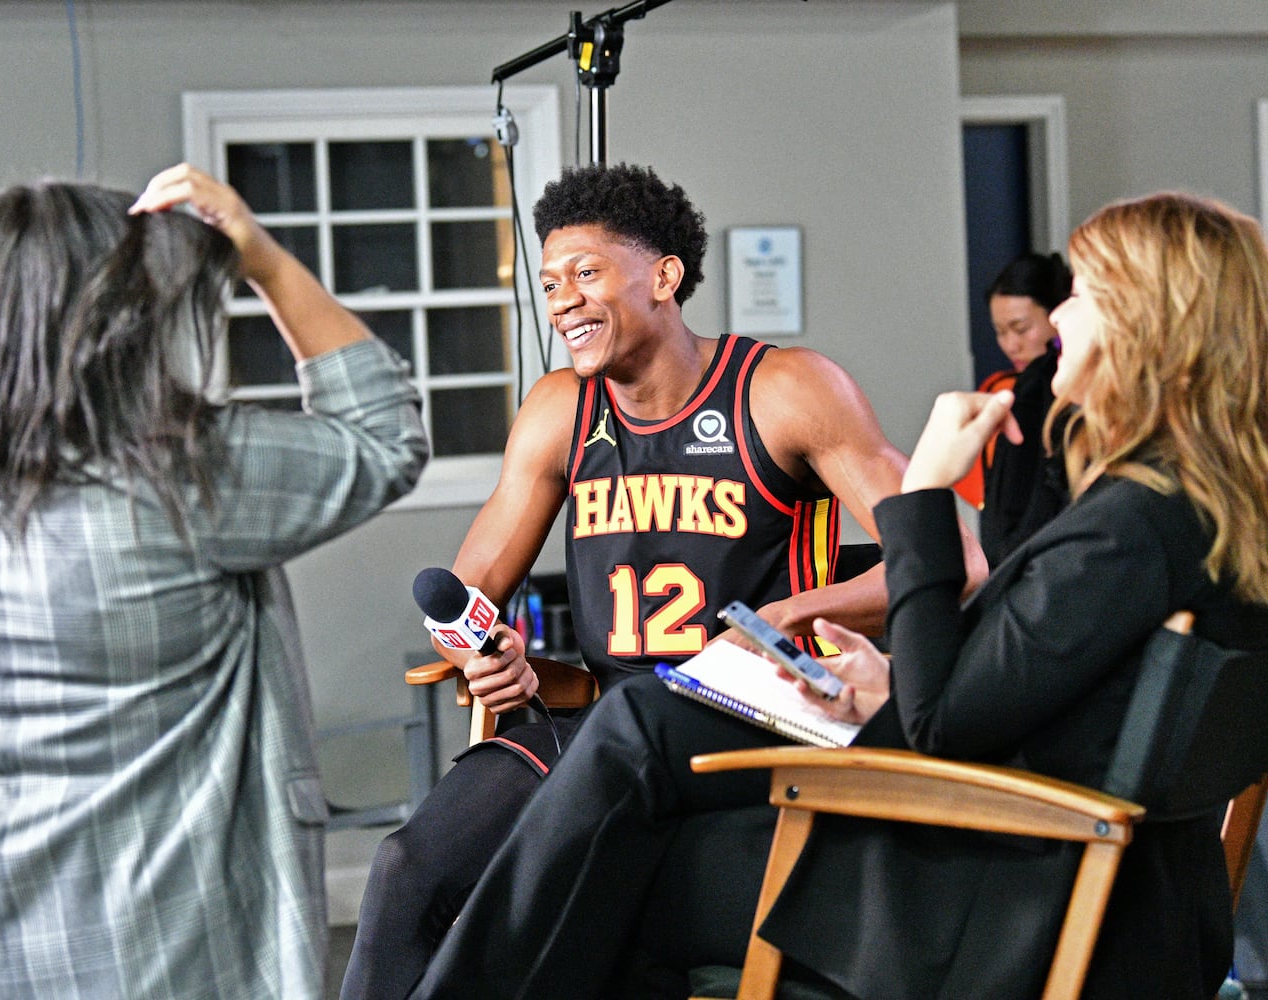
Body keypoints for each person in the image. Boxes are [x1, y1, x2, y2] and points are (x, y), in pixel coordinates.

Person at [407, 190, 1268, 1000]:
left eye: (1084, 295)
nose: (1059, 317)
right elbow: (1039, 689)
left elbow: (945, 725)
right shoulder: (1196, 515)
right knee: (631, 772)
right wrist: (879, 686)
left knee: (617, 850)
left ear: (1151, 327)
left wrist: (926, 492)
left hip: (1008, 891)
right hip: (1090, 869)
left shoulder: (1126, 528)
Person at [340, 162, 986, 999]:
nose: (562, 299)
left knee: (573, 904)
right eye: (548, 282)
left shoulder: (783, 390)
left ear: (664, 277)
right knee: (407, 869)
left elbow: (953, 563)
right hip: (600, 719)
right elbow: (469, 590)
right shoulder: (558, 410)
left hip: (749, 724)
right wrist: (481, 650)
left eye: (585, 272)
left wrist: (784, 613)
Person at [0, 165, 428, 999]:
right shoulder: (180, 471)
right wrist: (267, 264)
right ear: (126, 327)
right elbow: (384, 437)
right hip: (146, 952)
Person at [957, 252, 1074, 564]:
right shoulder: (1001, 389)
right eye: (1000, 331)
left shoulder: (1058, 391)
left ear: (1058, 314)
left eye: (1021, 328)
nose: (1011, 345)